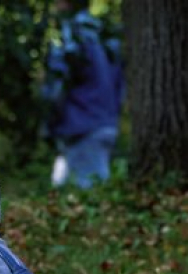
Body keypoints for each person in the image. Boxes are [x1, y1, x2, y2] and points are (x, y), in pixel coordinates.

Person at [41, 0, 124, 188]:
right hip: (105, 123)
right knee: (61, 191)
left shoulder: (69, 36)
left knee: (88, 195)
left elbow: (57, 84)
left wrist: (50, 122)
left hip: (81, 128)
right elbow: (120, 85)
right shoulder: (103, 33)